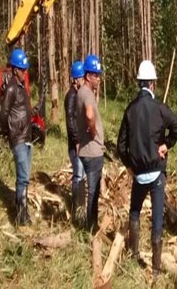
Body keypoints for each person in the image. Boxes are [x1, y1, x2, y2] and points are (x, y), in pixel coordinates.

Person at [117, 60, 177, 277]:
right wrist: (167, 144)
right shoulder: (160, 108)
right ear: (152, 84)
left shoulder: (130, 109)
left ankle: (133, 254)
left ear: (139, 83)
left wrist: (129, 166)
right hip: (156, 174)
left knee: (134, 212)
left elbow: (121, 146)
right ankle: (154, 269)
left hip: (138, 174)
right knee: (156, 218)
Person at [0, 48, 32, 226]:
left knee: (25, 177)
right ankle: (20, 216)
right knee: (22, 177)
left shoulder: (20, 86)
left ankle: (24, 213)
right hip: (18, 137)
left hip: (26, 137)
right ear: (15, 69)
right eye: (22, 70)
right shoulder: (11, 87)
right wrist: (8, 132)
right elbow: (3, 114)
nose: (25, 73)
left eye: (25, 70)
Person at [76, 54, 104, 231]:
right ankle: (91, 227)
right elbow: (89, 114)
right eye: (95, 75)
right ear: (87, 76)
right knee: (93, 192)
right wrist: (93, 131)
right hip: (92, 152)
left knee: (93, 190)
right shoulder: (86, 94)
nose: (98, 79)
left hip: (89, 151)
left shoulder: (82, 92)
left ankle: (91, 224)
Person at [65, 60, 86, 226]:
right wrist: (77, 141)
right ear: (76, 79)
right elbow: (70, 121)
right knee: (78, 175)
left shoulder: (77, 95)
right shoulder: (71, 97)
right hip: (75, 145)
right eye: (82, 79)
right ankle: (76, 208)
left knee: (82, 175)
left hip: (80, 143)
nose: (84, 82)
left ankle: (81, 207)